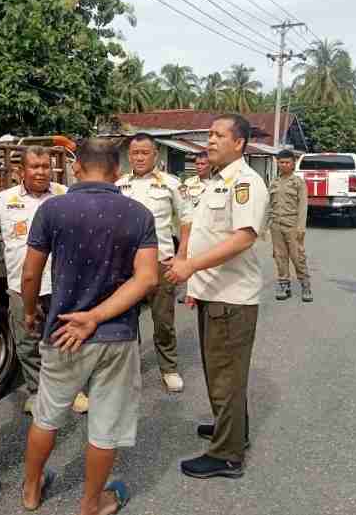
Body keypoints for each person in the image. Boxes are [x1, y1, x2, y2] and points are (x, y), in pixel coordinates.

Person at [20, 138, 159, 515]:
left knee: (47, 415)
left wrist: (31, 314)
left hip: (63, 331)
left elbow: (30, 274)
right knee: (104, 426)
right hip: (116, 336)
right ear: (117, 171)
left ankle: (31, 491)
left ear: (76, 168)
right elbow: (147, 279)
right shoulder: (139, 214)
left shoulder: (53, 210)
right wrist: (97, 317)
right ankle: (91, 503)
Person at [166, 114, 268, 479]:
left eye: (218, 135)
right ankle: (232, 431)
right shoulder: (216, 181)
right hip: (213, 292)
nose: (209, 141)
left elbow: (243, 238)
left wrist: (190, 268)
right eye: (209, 135)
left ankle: (227, 454)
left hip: (232, 297)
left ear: (238, 143)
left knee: (226, 374)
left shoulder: (245, 182)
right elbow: (206, 232)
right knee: (219, 369)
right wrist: (196, 284)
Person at [0, 146, 88, 415]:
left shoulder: (66, 195)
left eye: (45, 166)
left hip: (62, 284)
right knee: (27, 343)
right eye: (34, 167)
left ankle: (73, 392)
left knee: (65, 341)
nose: (41, 172)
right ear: (20, 171)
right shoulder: (4, 200)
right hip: (20, 287)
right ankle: (36, 391)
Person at [116, 133, 192, 393]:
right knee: (126, 318)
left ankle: (169, 368)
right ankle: (127, 367)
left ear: (155, 155)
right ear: (129, 156)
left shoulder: (171, 184)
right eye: (135, 153)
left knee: (163, 320)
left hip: (161, 262)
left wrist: (181, 257)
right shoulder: (119, 185)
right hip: (126, 265)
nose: (139, 157)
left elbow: (187, 221)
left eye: (144, 152)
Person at [267, 149, 312, 302]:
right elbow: (268, 206)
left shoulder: (298, 182)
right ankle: (284, 285)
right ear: (277, 163)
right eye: (281, 162)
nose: (284, 165)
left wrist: (301, 227)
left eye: (287, 162)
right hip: (276, 226)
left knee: (297, 256)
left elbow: (303, 206)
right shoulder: (274, 182)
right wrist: (263, 227)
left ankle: (305, 284)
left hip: (292, 226)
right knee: (280, 257)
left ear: (293, 164)